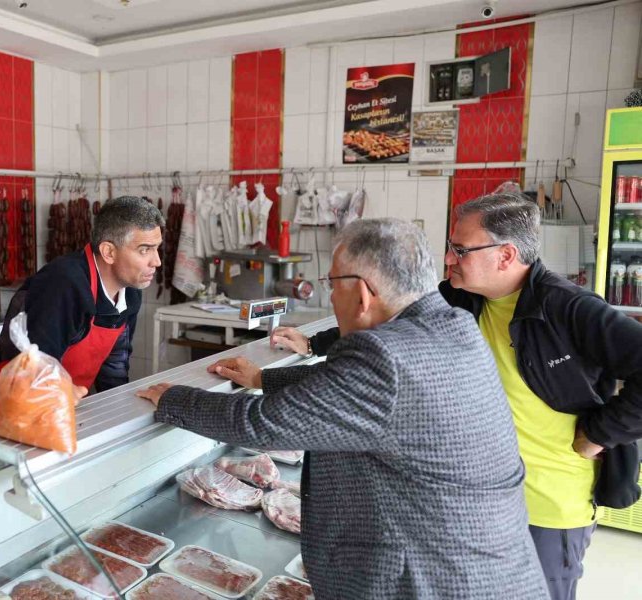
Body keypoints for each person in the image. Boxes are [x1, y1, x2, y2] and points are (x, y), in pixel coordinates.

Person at [137, 218, 548, 599]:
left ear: (364, 292)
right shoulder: (453, 327)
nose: (331, 296)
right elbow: (358, 392)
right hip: (493, 571)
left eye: (332, 284)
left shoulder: (383, 356)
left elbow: (261, 424)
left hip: (425, 581)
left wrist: (172, 397)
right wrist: (263, 379)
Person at [273, 194, 642, 600]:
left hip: (547, 506)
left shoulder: (569, 308)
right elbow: (392, 318)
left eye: (461, 250)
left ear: (506, 255)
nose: (448, 259)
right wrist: (312, 345)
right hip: (475, 502)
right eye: (450, 247)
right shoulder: (460, 296)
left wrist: (600, 433)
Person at [0, 196, 163, 394]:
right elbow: (36, 372)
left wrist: (121, 412)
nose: (156, 261)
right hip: (18, 405)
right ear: (109, 252)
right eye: (144, 250)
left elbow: (115, 364)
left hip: (68, 405)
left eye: (157, 248)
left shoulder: (130, 291)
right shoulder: (63, 284)